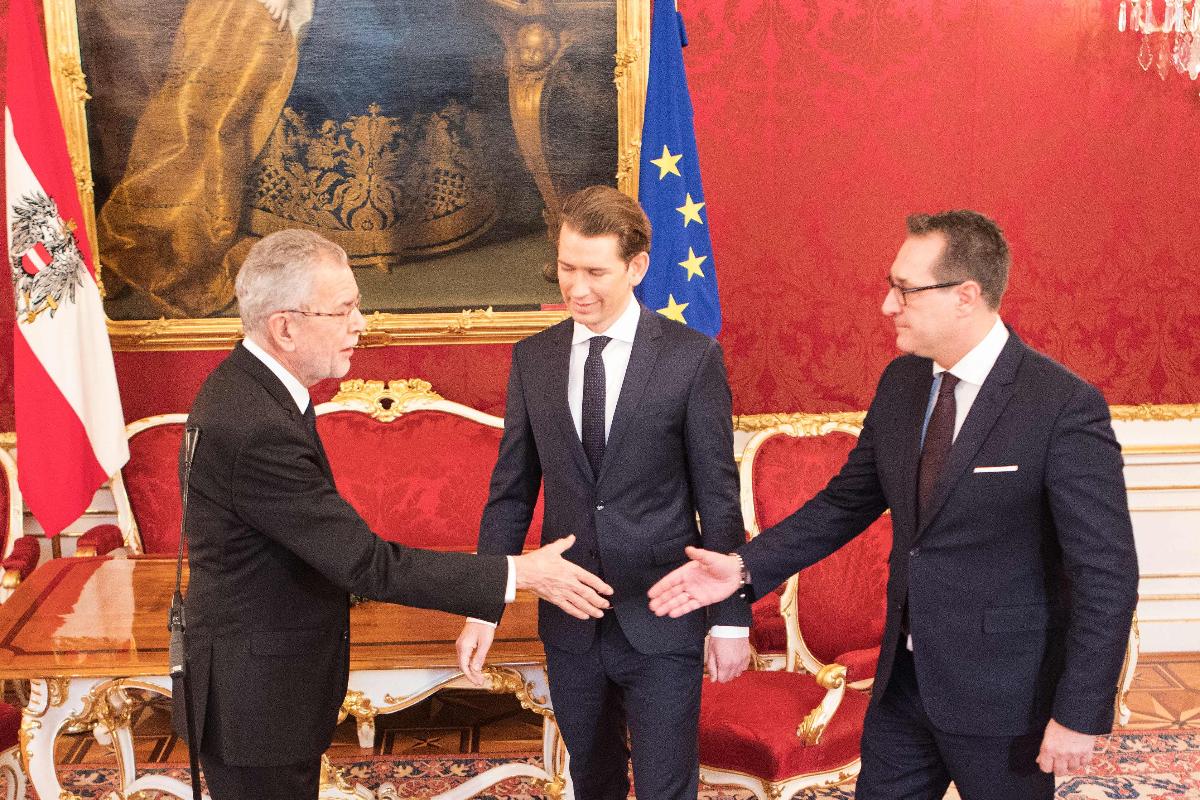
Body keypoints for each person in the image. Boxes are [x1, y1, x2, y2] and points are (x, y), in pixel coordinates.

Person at [648, 210, 1139, 800]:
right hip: (902, 685)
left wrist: (1080, 712)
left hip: (1006, 698)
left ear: (966, 296)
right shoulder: (903, 383)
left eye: (905, 290)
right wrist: (746, 566)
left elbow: (1105, 573)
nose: (887, 305)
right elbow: (846, 503)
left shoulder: (1061, 406)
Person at [178, 228, 613, 800]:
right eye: (343, 310)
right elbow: (365, 564)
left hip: (263, 687)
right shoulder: (255, 424)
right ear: (285, 327)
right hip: (257, 701)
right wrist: (521, 572)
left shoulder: (256, 392)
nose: (360, 323)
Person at [455, 185, 751, 800]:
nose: (576, 287)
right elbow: (511, 493)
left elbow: (718, 497)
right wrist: (483, 601)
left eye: (595, 271)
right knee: (593, 782)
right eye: (567, 268)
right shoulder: (532, 359)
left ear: (637, 267)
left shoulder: (691, 360)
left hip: (664, 614)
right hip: (571, 620)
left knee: (668, 785)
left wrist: (730, 619)